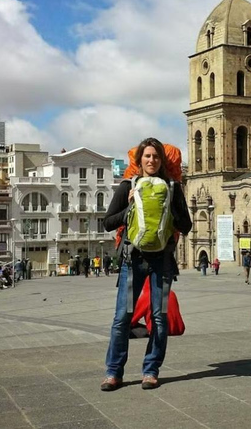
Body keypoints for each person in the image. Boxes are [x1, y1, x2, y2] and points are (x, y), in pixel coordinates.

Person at [101, 138, 192, 392]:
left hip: (162, 262)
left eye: (156, 157)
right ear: (139, 160)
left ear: (162, 161)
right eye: (147, 156)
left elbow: (186, 226)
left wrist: (169, 208)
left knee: (159, 318)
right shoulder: (127, 186)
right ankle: (113, 372)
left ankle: (151, 371)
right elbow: (108, 222)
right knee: (122, 318)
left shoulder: (172, 188)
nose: (152, 160)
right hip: (133, 260)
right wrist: (131, 205)